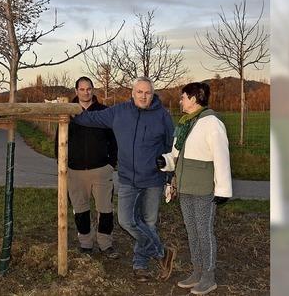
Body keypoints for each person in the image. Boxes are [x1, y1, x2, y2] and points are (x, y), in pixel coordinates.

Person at [73, 76, 176, 282]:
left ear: (152, 94)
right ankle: (162, 252)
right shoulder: (119, 112)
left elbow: (171, 148)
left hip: (153, 180)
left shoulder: (162, 116)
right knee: (126, 221)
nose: (143, 96)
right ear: (132, 93)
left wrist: (170, 176)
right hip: (128, 179)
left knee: (148, 222)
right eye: (139, 92)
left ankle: (140, 265)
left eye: (147, 92)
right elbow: (90, 118)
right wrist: (68, 112)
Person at [156, 82, 232, 295]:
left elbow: (221, 157)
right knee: (192, 232)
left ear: (194, 98)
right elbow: (176, 155)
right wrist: (165, 162)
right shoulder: (185, 123)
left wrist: (223, 190)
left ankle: (209, 278)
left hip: (204, 190)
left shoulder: (212, 123)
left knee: (204, 233)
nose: (180, 101)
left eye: (183, 97)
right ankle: (197, 272)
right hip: (185, 187)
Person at [57, 77, 118, 258]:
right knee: (80, 209)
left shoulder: (104, 112)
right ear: (76, 91)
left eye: (89, 89)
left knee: (105, 210)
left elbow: (114, 140)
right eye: (82, 89)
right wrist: (62, 165)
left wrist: (110, 164)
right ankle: (85, 243)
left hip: (101, 170)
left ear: (93, 90)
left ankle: (106, 244)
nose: (86, 92)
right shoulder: (67, 113)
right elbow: (58, 141)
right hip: (74, 171)